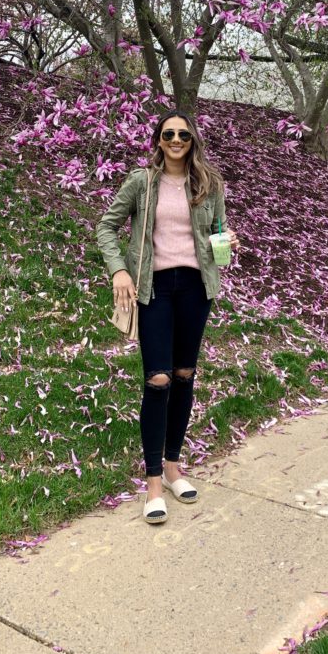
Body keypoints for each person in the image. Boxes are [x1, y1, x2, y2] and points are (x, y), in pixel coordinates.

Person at [96, 109, 240, 524]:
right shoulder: (142, 182)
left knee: (183, 375)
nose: (175, 140)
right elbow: (106, 227)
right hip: (154, 288)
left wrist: (225, 241)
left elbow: (216, 235)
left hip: (196, 288)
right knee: (157, 379)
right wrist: (119, 270)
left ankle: (174, 466)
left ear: (192, 140)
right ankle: (154, 481)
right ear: (158, 140)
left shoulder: (209, 183)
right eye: (167, 134)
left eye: (183, 134)